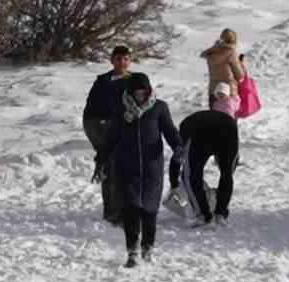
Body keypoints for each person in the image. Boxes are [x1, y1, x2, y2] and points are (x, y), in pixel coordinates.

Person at [105, 73, 181, 267]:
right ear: (130, 92)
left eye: (143, 92)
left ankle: (148, 248)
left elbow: (170, 131)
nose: (140, 96)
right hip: (126, 165)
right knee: (130, 208)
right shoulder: (120, 108)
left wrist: (178, 147)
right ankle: (132, 252)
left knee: (149, 210)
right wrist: (102, 156)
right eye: (137, 92)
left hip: (152, 167)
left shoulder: (159, 107)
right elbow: (113, 134)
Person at [83, 45, 138, 224]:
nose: (122, 62)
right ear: (112, 60)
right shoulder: (103, 81)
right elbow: (91, 108)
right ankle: (112, 212)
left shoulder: (136, 80)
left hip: (125, 129)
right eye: (118, 59)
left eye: (125, 59)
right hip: (100, 127)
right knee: (110, 165)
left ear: (129, 60)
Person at [169, 106, 239, 227]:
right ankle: (220, 215)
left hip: (208, 134)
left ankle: (204, 215)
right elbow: (231, 168)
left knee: (190, 176)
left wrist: (174, 183)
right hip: (229, 129)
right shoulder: (187, 129)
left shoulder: (184, 131)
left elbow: (177, 159)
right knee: (227, 174)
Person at [201, 29, 247, 107]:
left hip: (213, 91)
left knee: (214, 117)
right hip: (228, 92)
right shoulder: (231, 52)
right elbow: (240, 75)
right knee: (229, 118)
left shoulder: (212, 52)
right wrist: (241, 64)